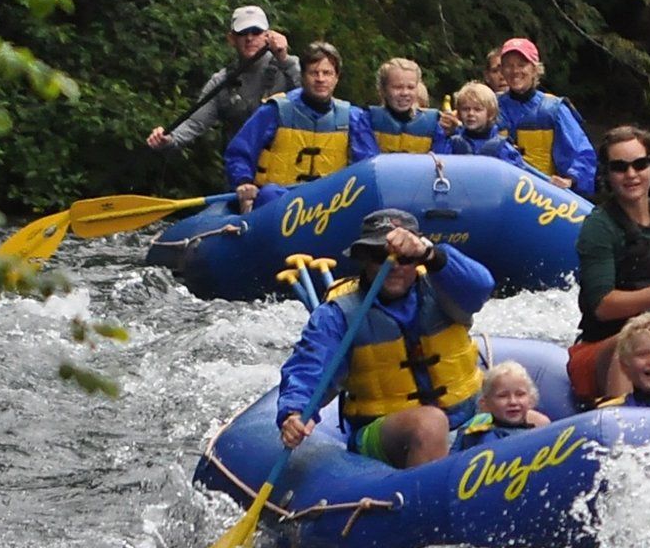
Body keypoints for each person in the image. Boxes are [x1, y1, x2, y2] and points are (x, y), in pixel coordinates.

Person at [277, 209, 493, 468]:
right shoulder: (338, 314)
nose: (394, 267)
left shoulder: (444, 290)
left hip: (465, 419)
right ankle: (423, 502)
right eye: (382, 257)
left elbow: (481, 287)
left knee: (535, 422)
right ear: (365, 260)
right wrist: (295, 411)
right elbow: (309, 366)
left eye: (404, 258)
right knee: (430, 423)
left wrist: (429, 253)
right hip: (386, 433)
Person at [570, 125, 650, 406]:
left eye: (639, 164)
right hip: (599, 351)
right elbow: (601, 306)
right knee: (627, 345)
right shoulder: (599, 228)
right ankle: (623, 425)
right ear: (608, 174)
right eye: (620, 167)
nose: (631, 175)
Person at [223, 41, 379, 212]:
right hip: (279, 201)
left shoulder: (353, 118)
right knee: (269, 193)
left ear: (336, 78)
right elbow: (239, 152)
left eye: (327, 73)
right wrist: (243, 182)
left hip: (329, 205)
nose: (320, 79)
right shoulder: (275, 111)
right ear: (303, 76)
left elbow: (370, 166)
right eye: (314, 73)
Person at [145, 5, 301, 154]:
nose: (249, 38)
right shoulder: (222, 82)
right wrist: (169, 139)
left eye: (256, 32)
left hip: (286, 168)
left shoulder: (288, 68)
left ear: (268, 36)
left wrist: (284, 58)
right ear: (231, 39)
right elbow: (195, 123)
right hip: (241, 170)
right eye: (243, 33)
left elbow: (315, 97)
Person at [495, 38, 596, 197]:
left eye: (522, 65)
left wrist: (571, 179)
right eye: (508, 65)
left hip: (541, 197)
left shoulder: (554, 109)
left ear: (535, 69)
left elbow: (582, 153)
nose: (515, 71)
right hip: (500, 193)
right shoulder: (491, 106)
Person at [437, 82, 547, 178]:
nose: (471, 114)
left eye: (477, 109)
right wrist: (444, 134)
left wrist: (549, 181)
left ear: (490, 114)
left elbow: (523, 173)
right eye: (466, 109)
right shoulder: (452, 143)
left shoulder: (502, 147)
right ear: (459, 113)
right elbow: (437, 165)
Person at [452, 361, 552, 450]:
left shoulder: (539, 435)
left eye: (520, 394)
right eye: (503, 396)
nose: (513, 402)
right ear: (485, 404)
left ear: (531, 400)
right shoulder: (476, 438)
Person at [366, 58, 442, 154]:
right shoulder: (367, 120)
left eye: (410, 87)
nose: (405, 93)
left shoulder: (435, 125)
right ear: (383, 90)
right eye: (398, 87)